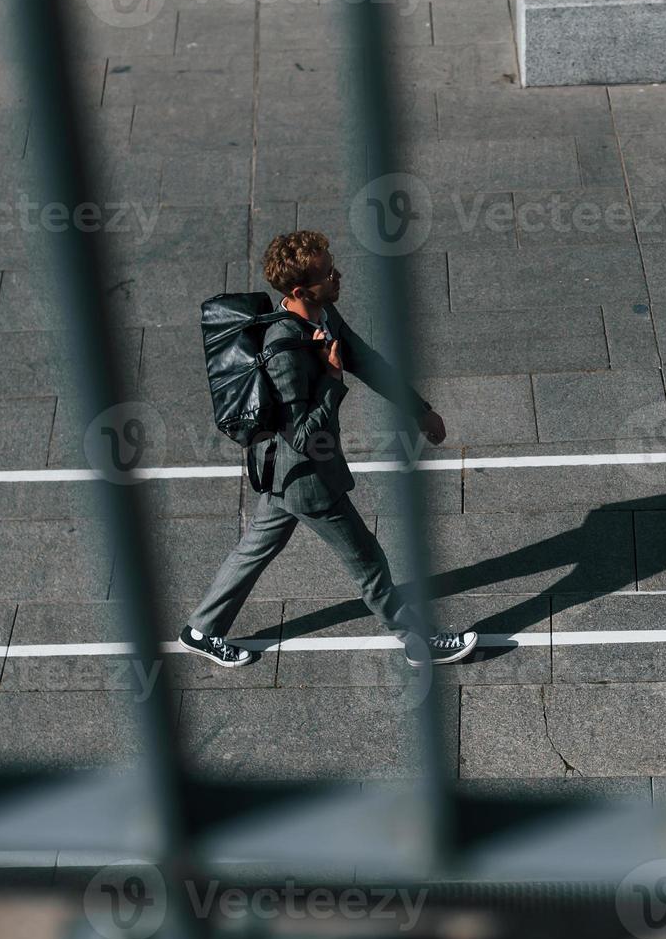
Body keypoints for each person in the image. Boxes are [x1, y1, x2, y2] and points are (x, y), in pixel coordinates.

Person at [178, 230, 477, 668]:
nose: (338, 274)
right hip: (308, 479)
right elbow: (301, 433)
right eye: (328, 272)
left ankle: (201, 629)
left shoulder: (322, 312)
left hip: (285, 473)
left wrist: (419, 409)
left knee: (256, 547)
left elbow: (365, 358)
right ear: (299, 290)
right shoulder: (284, 352)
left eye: (332, 264)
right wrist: (332, 382)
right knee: (369, 562)